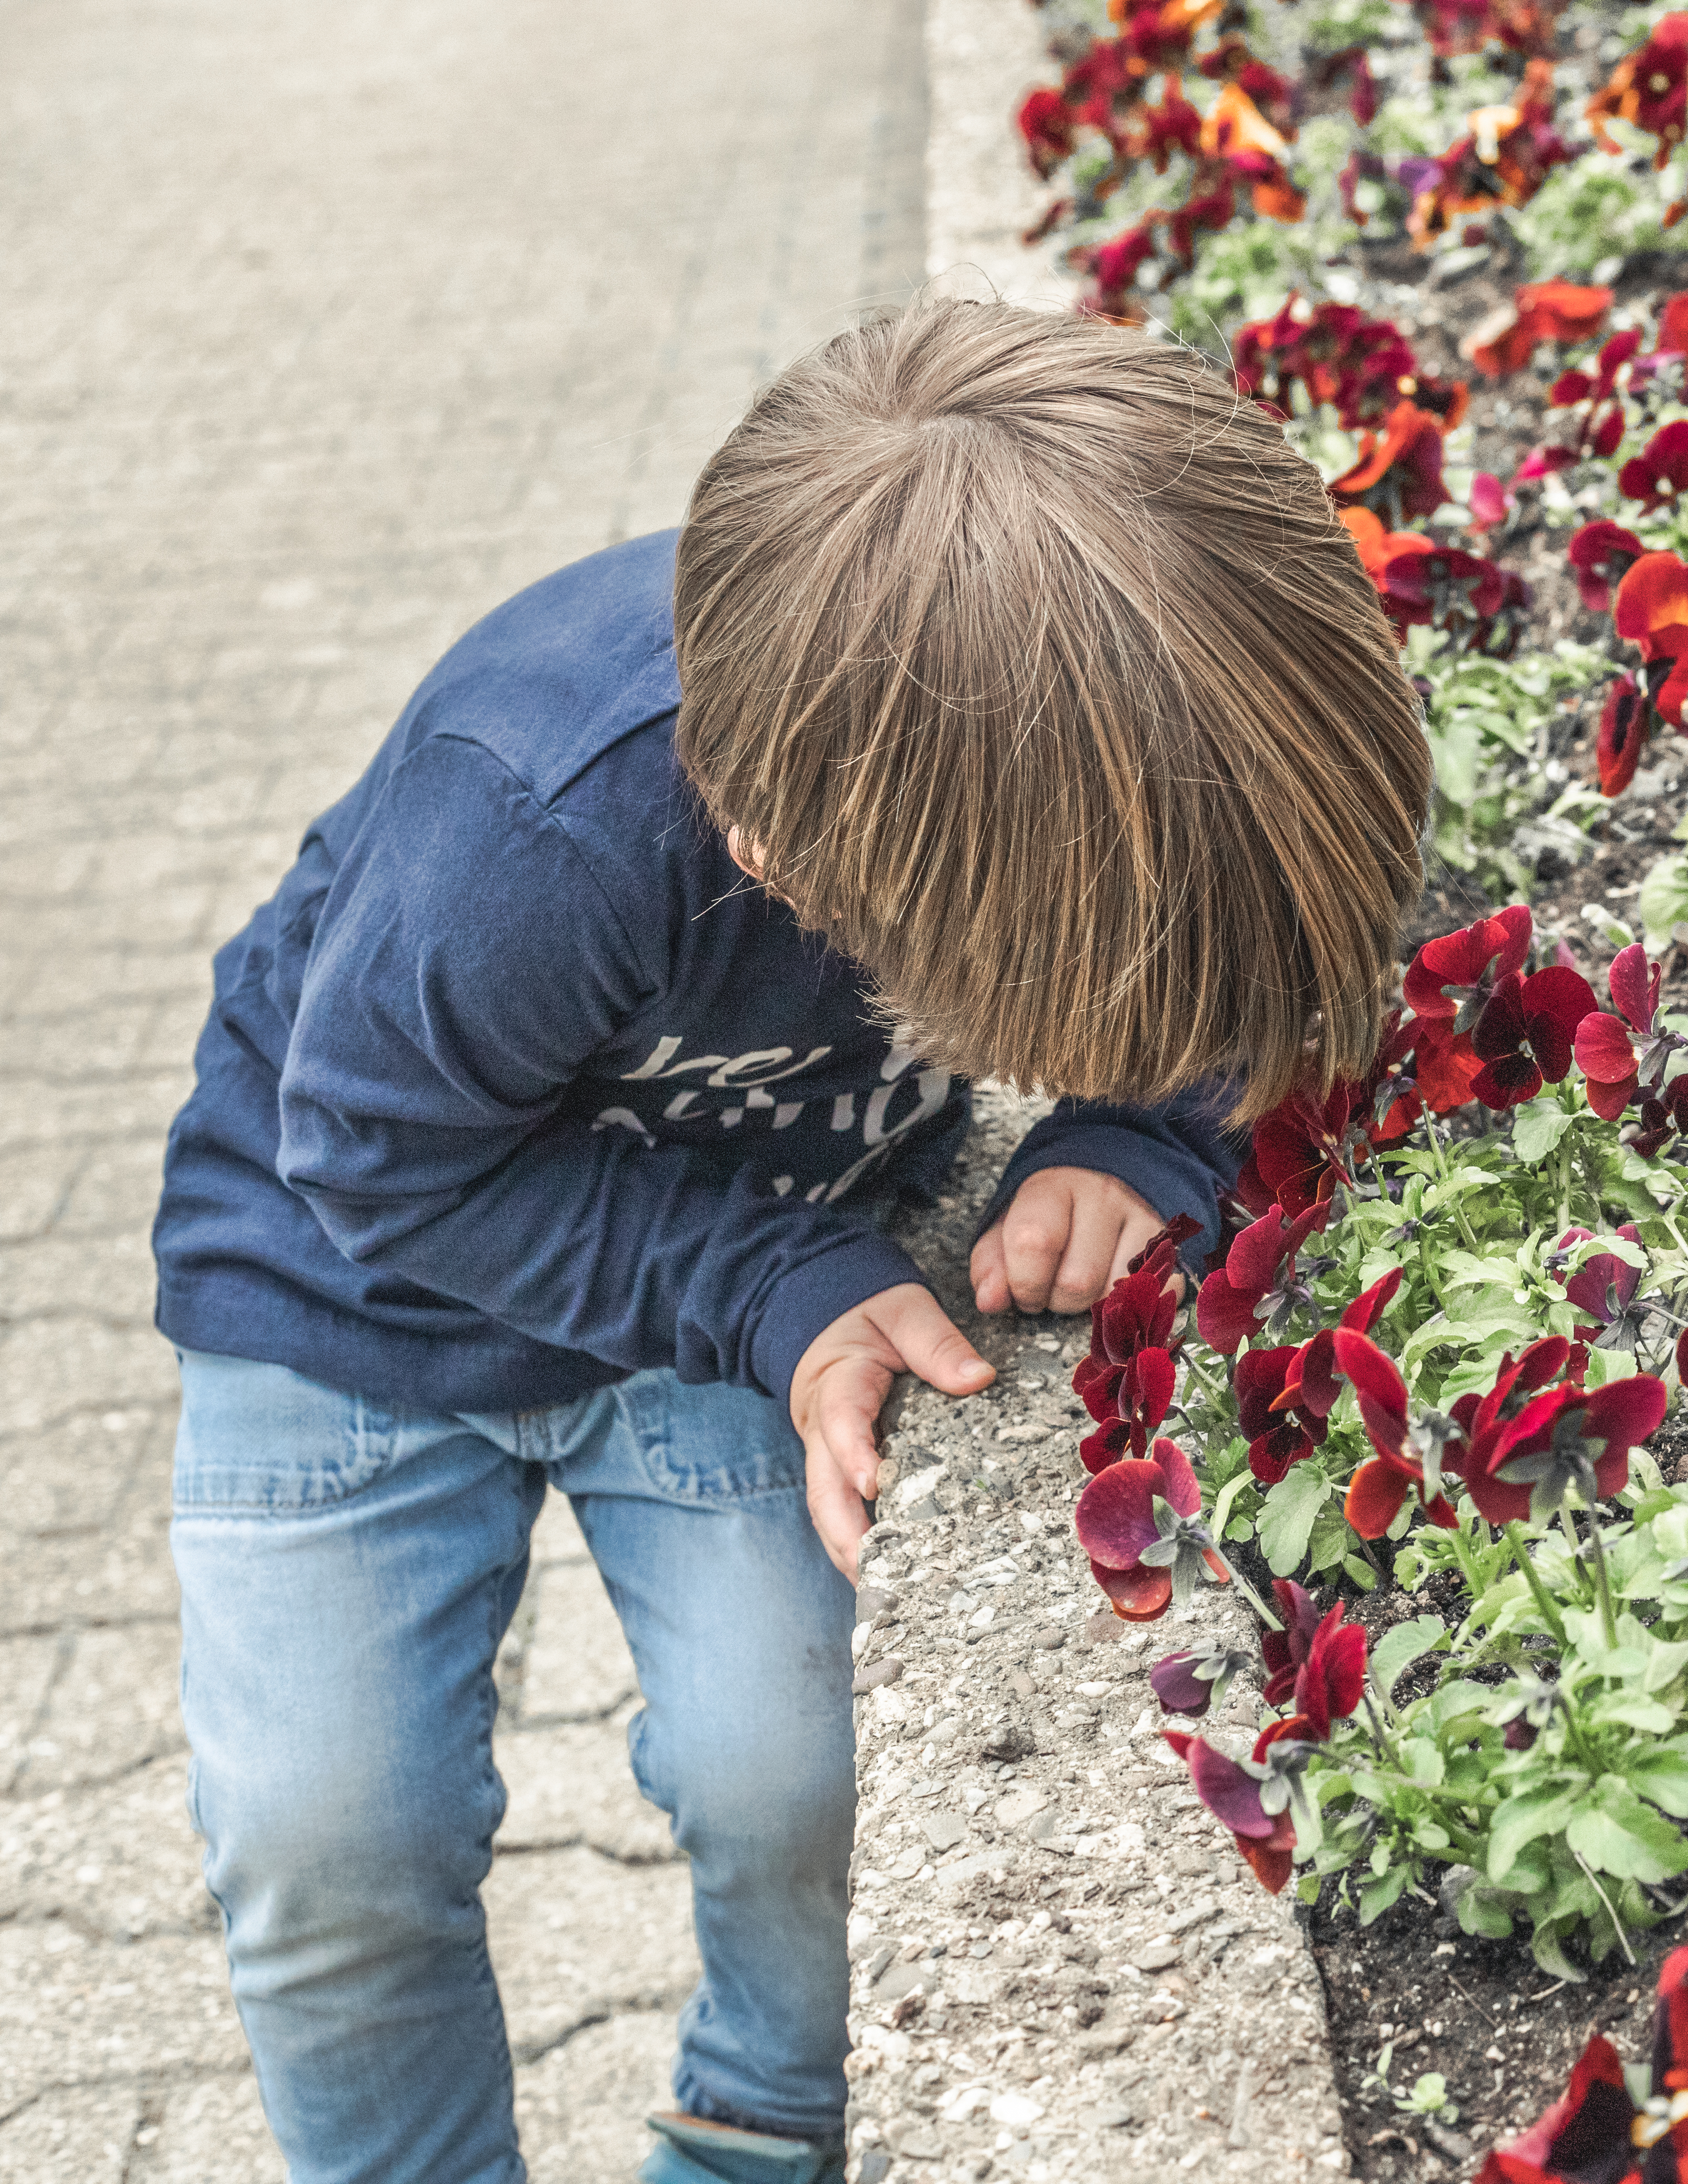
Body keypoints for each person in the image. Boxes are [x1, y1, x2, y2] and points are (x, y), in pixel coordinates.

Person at [149, 301, 1430, 2184]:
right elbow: (375, 1155)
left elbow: (1216, 954)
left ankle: (756, 2135)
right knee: (328, 1841)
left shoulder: (1071, 776)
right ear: (786, 856)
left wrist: (1131, 1131)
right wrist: (765, 1282)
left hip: (724, 1282)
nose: (1124, 1013)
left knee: (799, 1774)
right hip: (346, 1284)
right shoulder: (545, 821)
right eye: (1077, 1008)